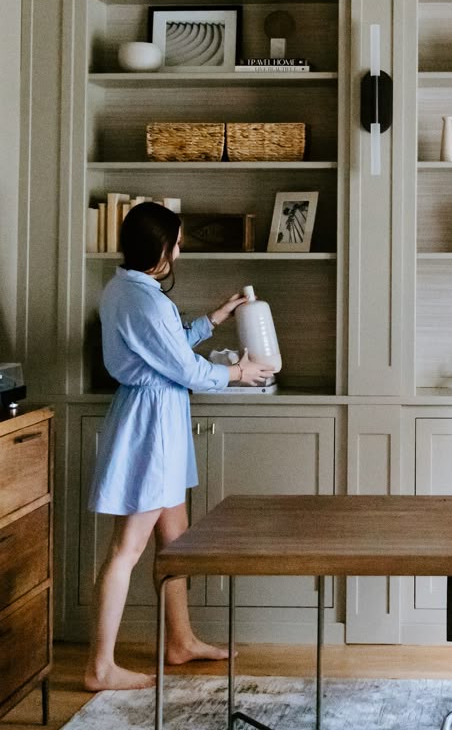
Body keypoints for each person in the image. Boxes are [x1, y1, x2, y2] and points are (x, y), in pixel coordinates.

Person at [84, 202, 274, 691]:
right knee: (128, 548)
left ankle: (181, 640)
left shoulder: (128, 289)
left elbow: (167, 348)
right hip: (152, 425)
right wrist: (238, 373)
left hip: (157, 417)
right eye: (178, 241)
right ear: (161, 249)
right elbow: (185, 370)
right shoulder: (143, 300)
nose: (181, 249)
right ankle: (99, 668)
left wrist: (214, 318)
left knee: (176, 541)